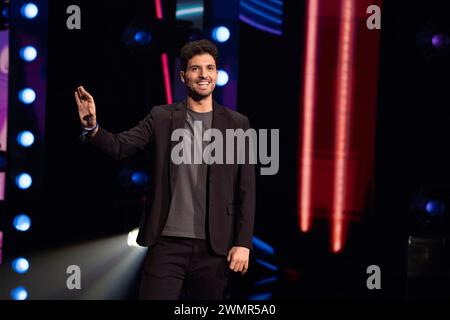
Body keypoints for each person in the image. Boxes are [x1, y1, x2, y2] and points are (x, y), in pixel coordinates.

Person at [74, 39, 255, 300]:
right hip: (167, 244)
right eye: (195, 69)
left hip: (215, 247)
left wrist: (243, 242)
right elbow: (119, 147)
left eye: (210, 68)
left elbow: (246, 188)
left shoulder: (238, 123)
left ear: (216, 74)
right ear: (183, 76)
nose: (204, 75)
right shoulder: (161, 118)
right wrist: (92, 128)